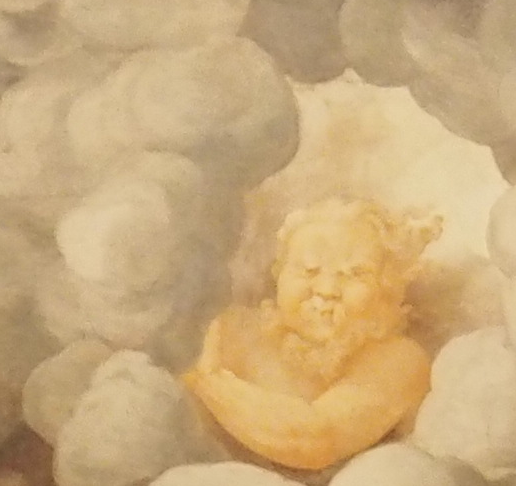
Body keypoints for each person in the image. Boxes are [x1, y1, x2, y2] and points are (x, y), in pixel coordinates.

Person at [185, 197, 438, 470]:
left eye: (354, 274)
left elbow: (312, 441)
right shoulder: (235, 330)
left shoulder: (400, 360)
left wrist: (208, 380)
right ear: (280, 275)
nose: (326, 290)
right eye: (309, 270)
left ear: (387, 289)